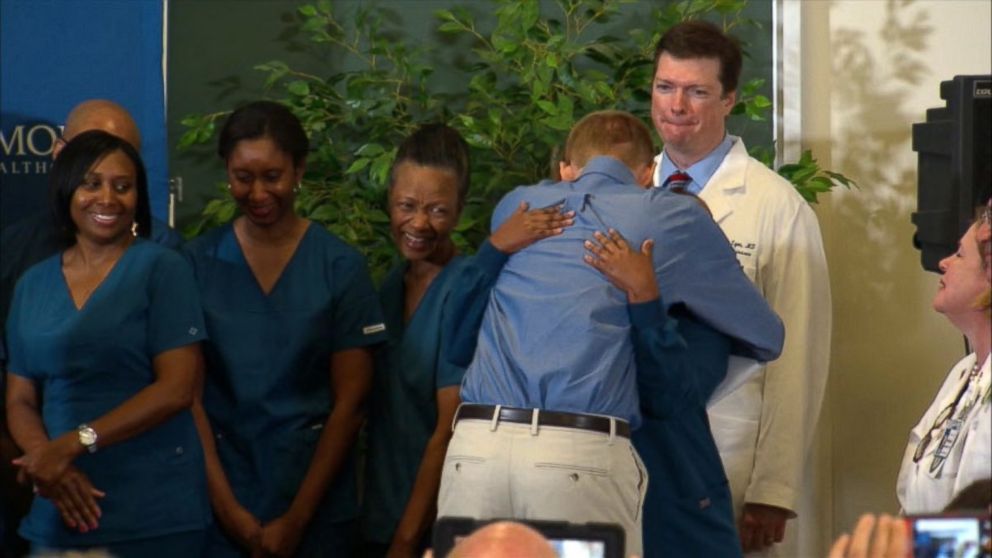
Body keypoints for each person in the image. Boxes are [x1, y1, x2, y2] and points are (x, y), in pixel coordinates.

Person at [435, 110, 784, 556]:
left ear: (567, 169)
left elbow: (456, 340)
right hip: (577, 453)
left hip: (475, 447)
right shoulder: (672, 215)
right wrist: (653, 305)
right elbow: (765, 334)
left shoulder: (517, 206)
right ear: (648, 173)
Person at [649, 20, 832, 554]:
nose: (676, 105)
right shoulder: (625, 192)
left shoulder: (776, 206)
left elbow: (798, 356)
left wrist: (774, 488)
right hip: (631, 456)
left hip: (727, 454)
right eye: (665, 86)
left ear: (729, 99)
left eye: (697, 91)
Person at [183, 100, 387, 557]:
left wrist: (296, 520)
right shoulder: (196, 264)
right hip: (222, 502)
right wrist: (230, 512)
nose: (257, 193)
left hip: (316, 507)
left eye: (272, 176)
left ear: (299, 170)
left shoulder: (339, 267)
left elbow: (351, 404)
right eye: (243, 177)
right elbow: (187, 397)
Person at [361, 124, 570, 557]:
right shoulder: (389, 287)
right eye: (406, 206)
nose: (419, 223)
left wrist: (405, 540)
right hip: (378, 513)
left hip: (433, 524)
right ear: (389, 200)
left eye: (437, 210)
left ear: (459, 212)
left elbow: (447, 430)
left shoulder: (465, 289)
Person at [4, 130, 209, 555]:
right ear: (67, 189)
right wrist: (47, 460)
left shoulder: (163, 268)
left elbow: (177, 388)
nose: (107, 198)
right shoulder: (33, 283)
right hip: (57, 509)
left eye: (122, 186)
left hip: (152, 513)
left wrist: (74, 442)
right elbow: (20, 397)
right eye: (91, 183)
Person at [584, 225, 744, 557]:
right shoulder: (594, 312)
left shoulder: (706, 324)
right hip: (599, 489)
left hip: (677, 499)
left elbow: (669, 395)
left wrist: (645, 299)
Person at [896, 201, 991, 514]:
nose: (943, 263)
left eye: (960, 255)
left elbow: (981, 527)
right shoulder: (963, 372)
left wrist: (915, 539)